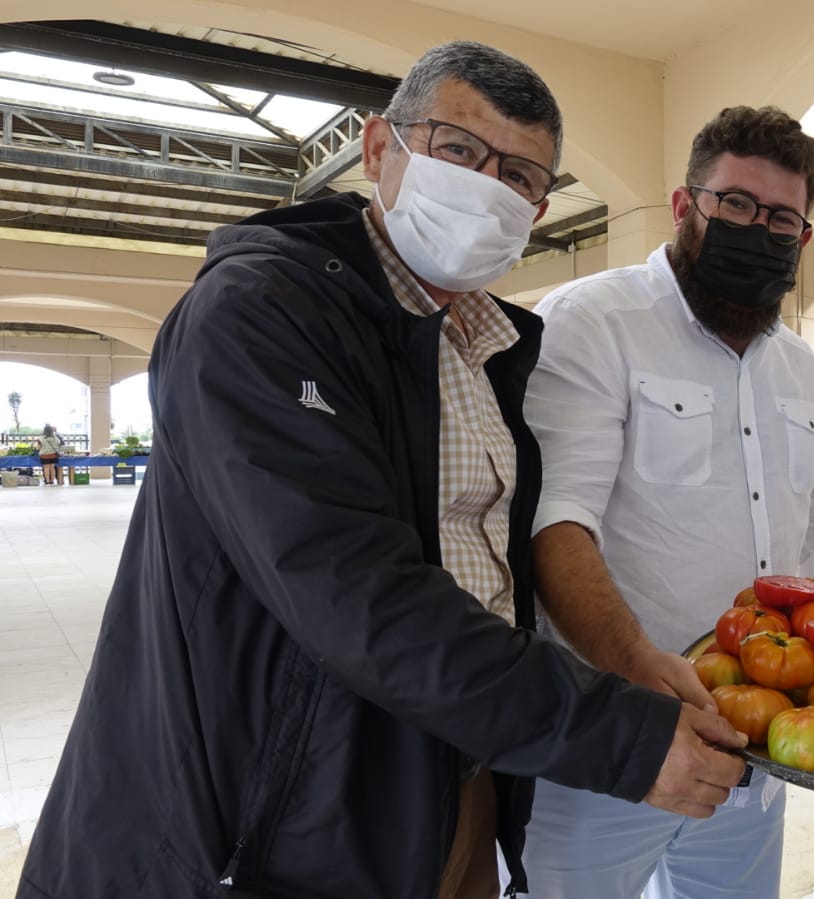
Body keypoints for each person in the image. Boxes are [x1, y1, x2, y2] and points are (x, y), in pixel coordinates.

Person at [18, 42, 746, 899]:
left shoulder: (488, 353)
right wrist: (613, 732)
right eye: (459, 151)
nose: (487, 187)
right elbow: (355, 590)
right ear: (377, 152)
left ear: (540, 211)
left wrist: (622, 660)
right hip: (273, 816)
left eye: (518, 175)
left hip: (446, 779)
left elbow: (490, 574)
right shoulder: (259, 315)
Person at [518, 105, 814, 898]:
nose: (759, 228)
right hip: (612, 741)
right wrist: (638, 679)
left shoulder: (799, 369)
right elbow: (556, 520)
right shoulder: (593, 323)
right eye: (736, 204)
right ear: (686, 206)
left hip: (760, 739)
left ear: (803, 237)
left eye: (781, 216)